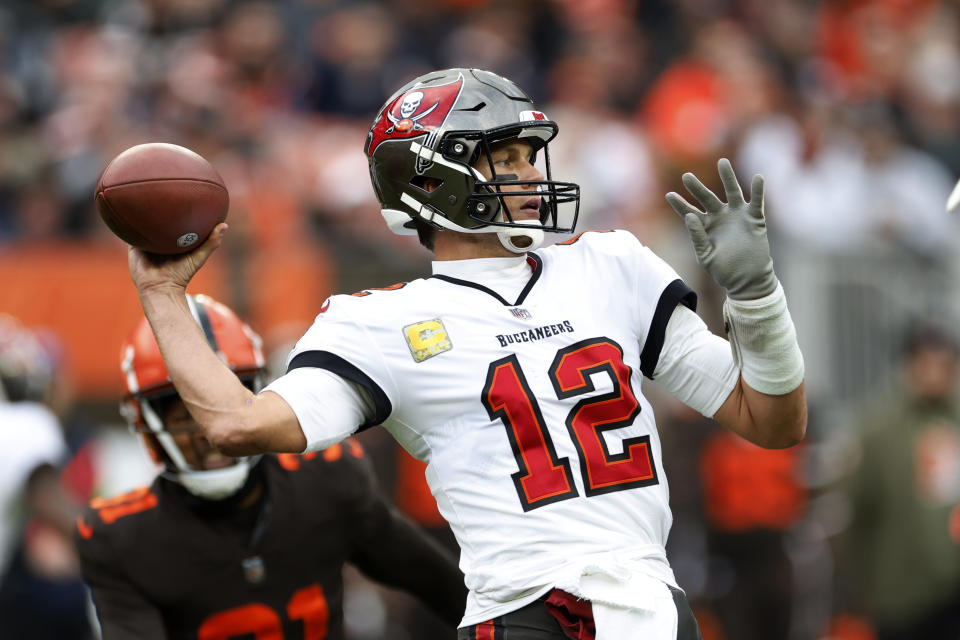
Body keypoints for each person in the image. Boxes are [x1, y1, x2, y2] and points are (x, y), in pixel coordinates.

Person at [125, 68, 806, 639]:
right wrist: (161, 295)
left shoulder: (613, 265)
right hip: (527, 614)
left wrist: (757, 296)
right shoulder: (381, 323)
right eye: (501, 158)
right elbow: (237, 424)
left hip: (655, 607)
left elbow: (773, 423)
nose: (528, 173)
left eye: (525, 155)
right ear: (430, 180)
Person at [74, 294, 466, 639]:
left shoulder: (327, 477)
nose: (212, 432)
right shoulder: (121, 536)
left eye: (225, 406)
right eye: (184, 415)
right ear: (145, 423)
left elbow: (444, 588)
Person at [832, 322, 960, 639]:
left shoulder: (954, 421)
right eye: (927, 364)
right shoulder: (878, 430)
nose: (936, 375)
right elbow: (851, 511)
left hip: (951, 587)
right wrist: (858, 591)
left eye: (945, 366)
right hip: (900, 593)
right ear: (909, 366)